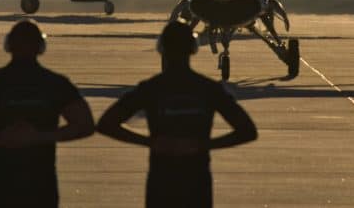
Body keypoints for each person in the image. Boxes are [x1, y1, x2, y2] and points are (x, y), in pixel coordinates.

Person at [97, 20, 258, 208]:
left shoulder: (151, 89)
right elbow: (247, 131)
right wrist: (203, 145)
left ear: (161, 49)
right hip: (197, 185)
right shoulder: (209, 89)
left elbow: (106, 124)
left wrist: (150, 142)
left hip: (161, 185)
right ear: (192, 49)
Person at [0, 19, 94, 208]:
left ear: (8, 45)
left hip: (2, 185)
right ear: (40, 47)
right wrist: (42, 137)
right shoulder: (55, 84)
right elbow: (85, 124)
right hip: (42, 186)